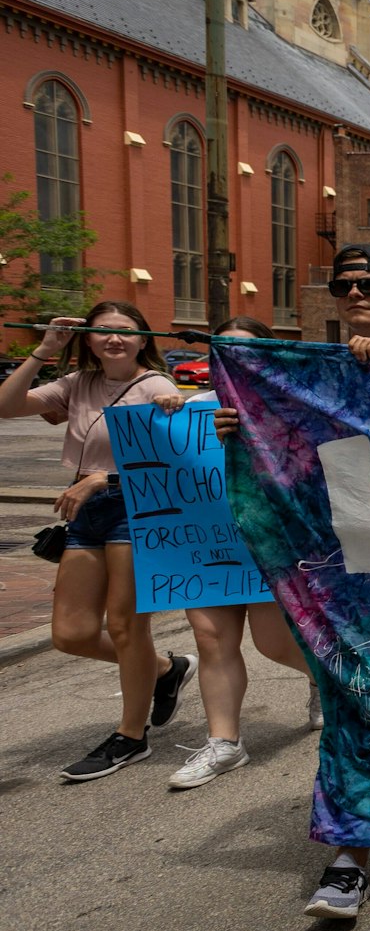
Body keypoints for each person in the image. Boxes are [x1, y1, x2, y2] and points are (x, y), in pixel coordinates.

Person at [215, 243, 370, 919]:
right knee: (355, 697)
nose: (356, 293)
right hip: (345, 570)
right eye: (344, 285)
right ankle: (349, 856)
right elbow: (293, 467)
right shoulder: (304, 377)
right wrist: (243, 430)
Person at [0, 302, 191, 781]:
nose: (114, 340)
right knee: (72, 634)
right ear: (87, 338)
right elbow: (5, 407)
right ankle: (166, 669)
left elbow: (169, 463)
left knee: (126, 627)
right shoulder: (77, 385)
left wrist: (104, 476)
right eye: (102, 331)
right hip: (85, 513)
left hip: (135, 509)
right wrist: (44, 351)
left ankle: (131, 736)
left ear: (143, 339)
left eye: (125, 332)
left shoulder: (155, 387)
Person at [169, 315, 319, 791]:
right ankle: (225, 743)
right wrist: (166, 416)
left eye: (243, 350)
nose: (229, 358)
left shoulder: (286, 406)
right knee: (211, 640)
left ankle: (326, 681)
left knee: (273, 643)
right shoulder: (191, 408)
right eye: (221, 349)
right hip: (206, 544)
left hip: (267, 541)